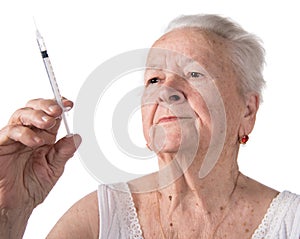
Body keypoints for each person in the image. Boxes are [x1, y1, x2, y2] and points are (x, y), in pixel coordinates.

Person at [1, 14, 300, 239]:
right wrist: (11, 211)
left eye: (195, 73)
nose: (166, 90)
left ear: (248, 110)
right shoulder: (99, 218)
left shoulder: (292, 222)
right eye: (154, 80)